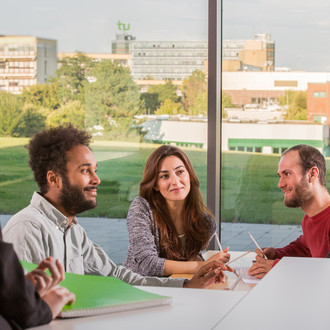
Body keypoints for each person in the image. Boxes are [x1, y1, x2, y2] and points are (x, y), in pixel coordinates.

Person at [3, 124, 231, 289]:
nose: (96, 179)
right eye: (85, 171)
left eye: (95, 170)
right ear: (54, 179)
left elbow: (117, 275)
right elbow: (17, 309)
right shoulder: (27, 229)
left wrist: (186, 285)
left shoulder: (74, 232)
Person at [123, 145, 230, 277]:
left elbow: (188, 265)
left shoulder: (206, 224)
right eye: (164, 176)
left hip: (177, 289)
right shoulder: (141, 208)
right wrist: (204, 265)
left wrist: (210, 266)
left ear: (189, 175)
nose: (175, 181)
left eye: (180, 172)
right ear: (155, 184)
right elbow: (147, 265)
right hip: (138, 290)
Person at [248, 144, 330, 279]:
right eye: (280, 176)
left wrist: (277, 267)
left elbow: (326, 271)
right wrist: (276, 254)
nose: (280, 184)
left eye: (287, 174)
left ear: (312, 174)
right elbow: (304, 249)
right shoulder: (310, 219)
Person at [0, 227, 75, 330]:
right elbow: (22, 314)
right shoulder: (26, 225)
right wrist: (40, 309)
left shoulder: (77, 230)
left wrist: (19, 286)